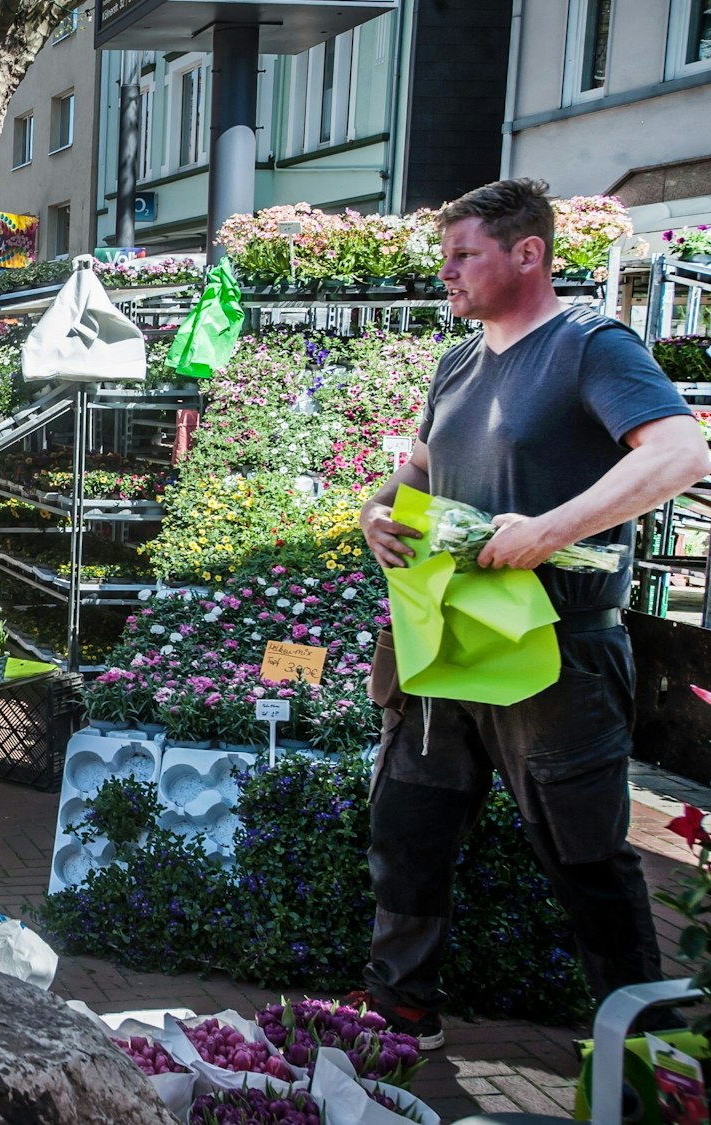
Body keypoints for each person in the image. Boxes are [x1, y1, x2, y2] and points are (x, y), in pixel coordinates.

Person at [355, 178, 711, 1049]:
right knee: (406, 831)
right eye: (445, 258)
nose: (448, 274)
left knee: (584, 857)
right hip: (447, 648)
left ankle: (647, 1050)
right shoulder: (459, 360)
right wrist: (378, 510)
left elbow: (681, 451)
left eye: (464, 255)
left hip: (557, 654)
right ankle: (402, 1013)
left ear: (529, 253)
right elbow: (423, 471)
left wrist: (551, 530)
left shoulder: (590, 345)